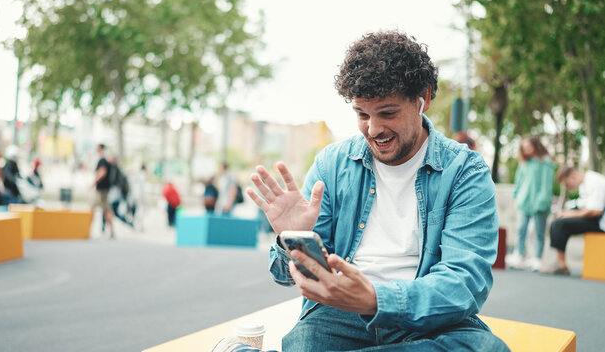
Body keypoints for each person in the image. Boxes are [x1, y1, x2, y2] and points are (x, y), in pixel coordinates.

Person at [246, 30, 508, 351]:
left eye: (387, 112)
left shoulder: (465, 170)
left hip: (426, 315)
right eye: (361, 114)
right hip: (341, 314)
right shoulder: (332, 163)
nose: (373, 129)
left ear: (423, 98)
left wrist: (375, 298)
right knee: (306, 341)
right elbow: (284, 276)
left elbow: (465, 283)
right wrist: (293, 241)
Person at [541, 166, 605, 275]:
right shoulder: (584, 185)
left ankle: (561, 265)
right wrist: (565, 211)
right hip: (595, 219)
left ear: (572, 176)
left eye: (567, 183)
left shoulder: (595, 181)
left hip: (601, 222)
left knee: (561, 224)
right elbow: (583, 204)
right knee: (558, 222)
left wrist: (569, 214)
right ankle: (560, 263)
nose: (568, 187)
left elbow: (595, 211)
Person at [508, 136, 554, 271]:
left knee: (540, 232)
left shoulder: (545, 162)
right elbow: (519, 181)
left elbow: (547, 183)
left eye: (529, 147)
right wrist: (515, 197)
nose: (526, 150)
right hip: (524, 201)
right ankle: (520, 255)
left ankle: (537, 258)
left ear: (536, 146)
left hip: (540, 202)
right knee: (520, 229)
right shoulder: (524, 163)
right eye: (524, 148)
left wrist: (543, 200)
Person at [91, 144, 115, 238]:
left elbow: (103, 172)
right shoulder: (106, 160)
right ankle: (112, 231)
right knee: (106, 209)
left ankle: (86, 228)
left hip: (101, 190)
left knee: (92, 207)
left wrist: (94, 182)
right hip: (105, 189)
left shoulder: (102, 160)